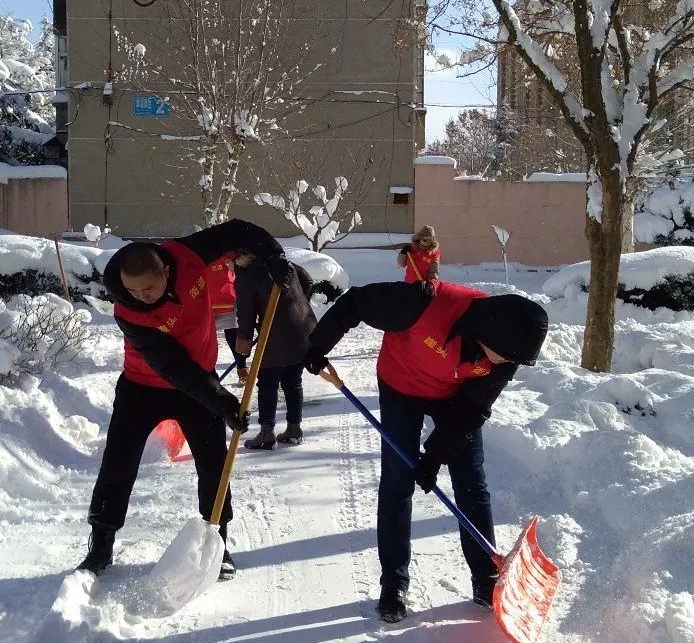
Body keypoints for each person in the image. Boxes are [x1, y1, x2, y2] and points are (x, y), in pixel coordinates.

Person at [303, 280, 549, 622]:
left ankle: (486, 577)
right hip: (400, 384)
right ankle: (394, 583)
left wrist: (434, 455)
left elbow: (470, 411)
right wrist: (317, 345)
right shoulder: (423, 302)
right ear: (492, 334)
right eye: (509, 355)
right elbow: (357, 302)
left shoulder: (505, 355)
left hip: (452, 397)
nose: (511, 363)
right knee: (397, 480)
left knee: (471, 480)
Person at [78, 219, 293, 579]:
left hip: (197, 384)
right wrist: (221, 401)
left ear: (165, 270)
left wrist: (273, 255)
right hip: (142, 387)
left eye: (148, 289)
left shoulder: (187, 254)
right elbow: (172, 365)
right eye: (134, 291)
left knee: (213, 464)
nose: (142, 297)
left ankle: (217, 543)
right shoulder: (127, 310)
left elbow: (237, 230)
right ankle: (101, 543)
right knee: (118, 462)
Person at [233, 253, 317, 449]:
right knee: (293, 381)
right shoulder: (282, 263)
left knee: (268, 383)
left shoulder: (248, 275)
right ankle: (294, 429)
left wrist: (243, 340)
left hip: (274, 337)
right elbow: (308, 280)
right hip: (302, 329)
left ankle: (266, 433)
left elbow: (245, 313)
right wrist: (291, 306)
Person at [209, 254, 248, 383]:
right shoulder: (198, 255)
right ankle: (209, 375)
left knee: (233, 337)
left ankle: (242, 369)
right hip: (206, 303)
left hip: (226, 300)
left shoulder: (225, 252)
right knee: (207, 342)